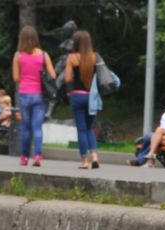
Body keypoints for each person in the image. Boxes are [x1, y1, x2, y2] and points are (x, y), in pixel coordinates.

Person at [10, 26, 53, 167]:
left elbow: (16, 78)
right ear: (35, 38)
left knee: (26, 128)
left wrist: (25, 75)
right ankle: (38, 156)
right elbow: (53, 75)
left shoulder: (18, 55)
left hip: (24, 94)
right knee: (37, 127)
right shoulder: (43, 55)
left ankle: (24, 157)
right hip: (39, 95)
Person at [63, 32, 102, 169]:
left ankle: (85, 161)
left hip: (78, 96)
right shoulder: (95, 57)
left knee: (81, 129)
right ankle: (95, 156)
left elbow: (67, 79)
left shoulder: (72, 58)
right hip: (92, 97)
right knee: (89, 127)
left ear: (76, 43)